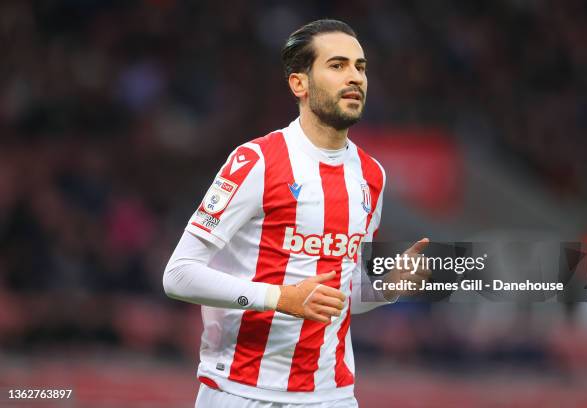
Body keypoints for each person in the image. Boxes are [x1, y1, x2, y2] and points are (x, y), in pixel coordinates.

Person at [163, 19, 430, 408]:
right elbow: (179, 275)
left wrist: (387, 287)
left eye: (361, 66)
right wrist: (280, 297)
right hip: (239, 392)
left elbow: (340, 292)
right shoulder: (255, 161)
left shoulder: (372, 176)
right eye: (337, 66)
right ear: (299, 84)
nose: (354, 77)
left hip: (331, 396)